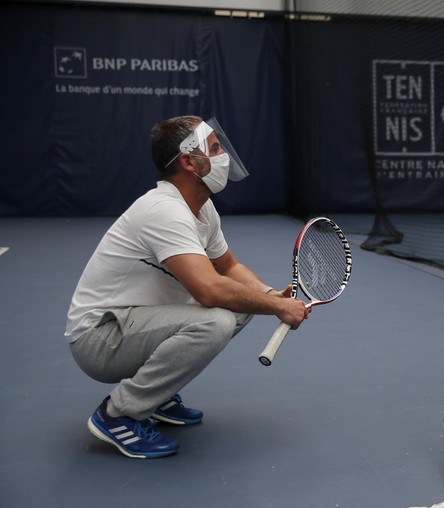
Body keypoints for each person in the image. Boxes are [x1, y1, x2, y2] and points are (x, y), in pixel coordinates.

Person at [66, 115, 310, 459]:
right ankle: (118, 414)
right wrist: (277, 307)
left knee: (242, 307)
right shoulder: (164, 210)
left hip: (134, 324)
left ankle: (158, 396)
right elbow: (210, 291)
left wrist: (269, 295)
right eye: (214, 147)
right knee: (218, 319)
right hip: (99, 339)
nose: (224, 154)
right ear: (188, 161)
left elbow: (228, 267)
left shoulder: (202, 207)